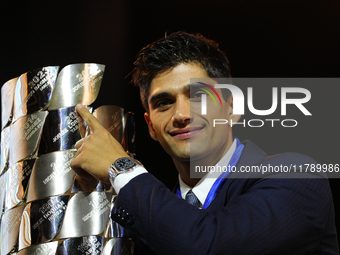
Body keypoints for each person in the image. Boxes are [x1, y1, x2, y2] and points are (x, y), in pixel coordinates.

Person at [71, 31, 338, 254]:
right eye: (164, 103)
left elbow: (207, 245)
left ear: (231, 108)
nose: (182, 115)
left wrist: (122, 169)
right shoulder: (142, 216)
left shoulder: (296, 176)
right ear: (151, 126)